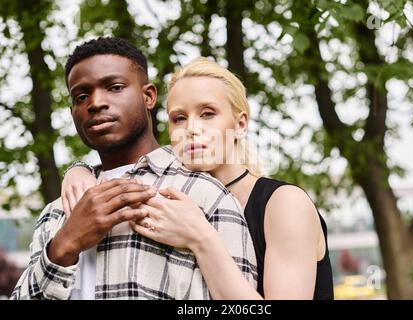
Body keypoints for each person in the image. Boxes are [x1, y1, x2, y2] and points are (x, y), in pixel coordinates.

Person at [62, 57, 334, 299]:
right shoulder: (175, 196)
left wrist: (201, 239)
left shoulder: (284, 204)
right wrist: (79, 170)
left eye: (207, 114)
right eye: (179, 118)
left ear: (240, 123)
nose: (192, 129)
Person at [10, 38, 257, 300]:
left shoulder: (205, 195)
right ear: (72, 111)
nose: (95, 102)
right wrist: (64, 245)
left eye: (114, 87)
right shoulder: (55, 212)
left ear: (148, 96)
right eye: (81, 97)